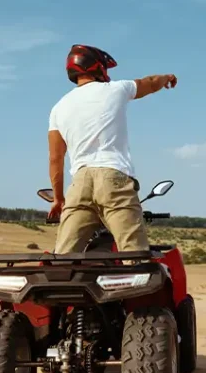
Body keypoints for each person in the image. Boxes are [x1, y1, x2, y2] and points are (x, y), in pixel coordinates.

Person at [47, 44, 178, 254]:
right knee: (134, 257)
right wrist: (167, 77)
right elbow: (151, 83)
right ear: (98, 68)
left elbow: (56, 158)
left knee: (63, 258)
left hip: (79, 183)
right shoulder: (117, 89)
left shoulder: (58, 108)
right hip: (113, 178)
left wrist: (58, 198)